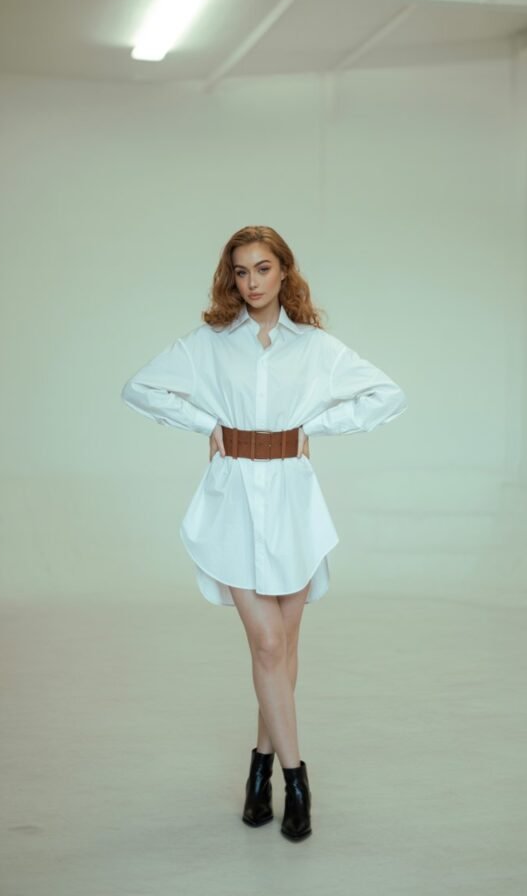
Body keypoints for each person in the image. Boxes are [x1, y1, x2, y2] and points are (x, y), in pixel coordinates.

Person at [121, 225, 407, 842]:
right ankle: (296, 779)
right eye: (241, 271)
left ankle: (258, 771)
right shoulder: (210, 343)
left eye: (263, 268)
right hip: (233, 502)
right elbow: (138, 387)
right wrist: (206, 423)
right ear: (231, 277)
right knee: (269, 645)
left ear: (284, 271)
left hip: (293, 502)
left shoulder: (315, 347)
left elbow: (388, 395)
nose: (251, 282)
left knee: (282, 649)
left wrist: (315, 429)